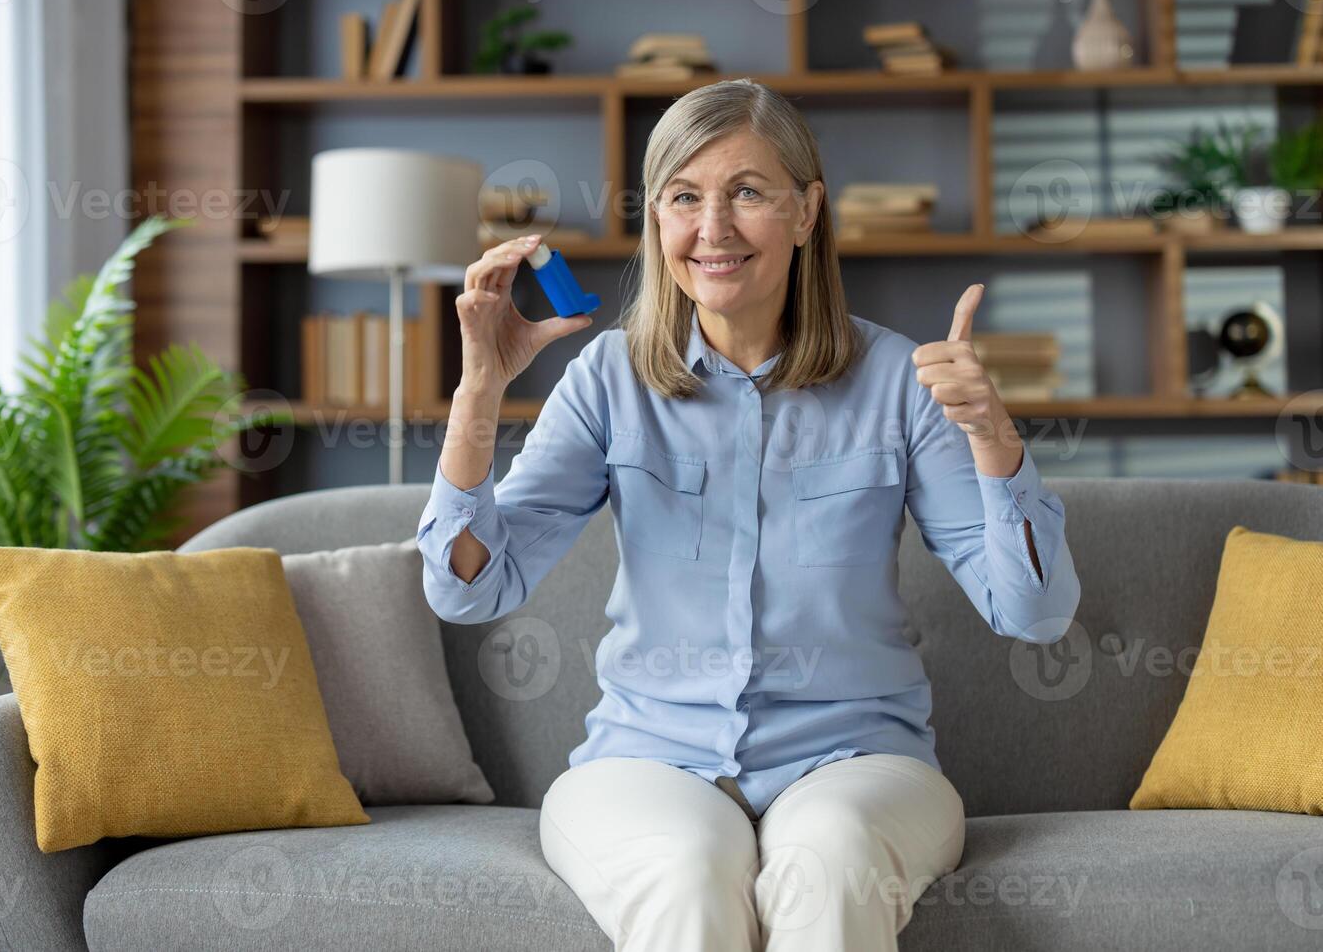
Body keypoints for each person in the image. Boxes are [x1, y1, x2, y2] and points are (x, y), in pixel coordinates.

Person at [414, 77, 1081, 951]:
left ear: (807, 212)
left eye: (748, 193)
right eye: (684, 197)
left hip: (856, 762)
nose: (713, 229)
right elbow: (471, 593)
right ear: (658, 219)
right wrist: (478, 394)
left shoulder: (898, 383)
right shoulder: (610, 380)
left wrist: (995, 439)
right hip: (647, 759)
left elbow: (1033, 613)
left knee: (831, 857)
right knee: (687, 871)